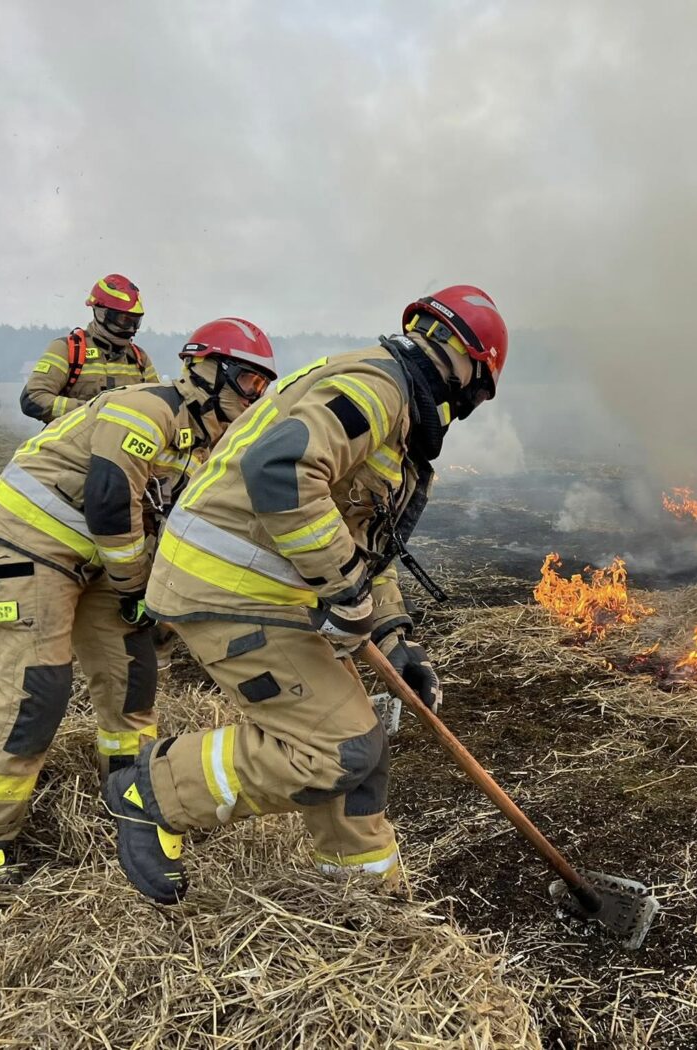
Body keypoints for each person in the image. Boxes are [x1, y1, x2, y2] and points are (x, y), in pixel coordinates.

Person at [103, 286, 508, 905]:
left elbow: (362, 540)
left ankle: (360, 890)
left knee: (363, 742)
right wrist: (344, 591)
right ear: (461, 357)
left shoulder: (394, 417)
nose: (473, 403)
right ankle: (153, 791)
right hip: (229, 587)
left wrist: (394, 637)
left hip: (271, 588)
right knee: (336, 747)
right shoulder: (378, 389)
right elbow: (281, 470)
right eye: (481, 388)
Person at [0, 318, 278, 880]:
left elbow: (187, 529)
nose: (254, 398)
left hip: (98, 563)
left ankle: (127, 802)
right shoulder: (142, 409)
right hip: (27, 551)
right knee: (37, 691)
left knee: (134, 677)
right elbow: (107, 500)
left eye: (264, 388)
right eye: (248, 382)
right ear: (208, 370)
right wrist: (136, 589)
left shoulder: (203, 445)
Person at [19, 274, 160, 423]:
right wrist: (92, 410)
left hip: (119, 445)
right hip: (71, 444)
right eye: (124, 320)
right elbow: (33, 399)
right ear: (101, 313)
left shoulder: (139, 358)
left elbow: (158, 404)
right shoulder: (67, 349)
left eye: (136, 322)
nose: (131, 328)